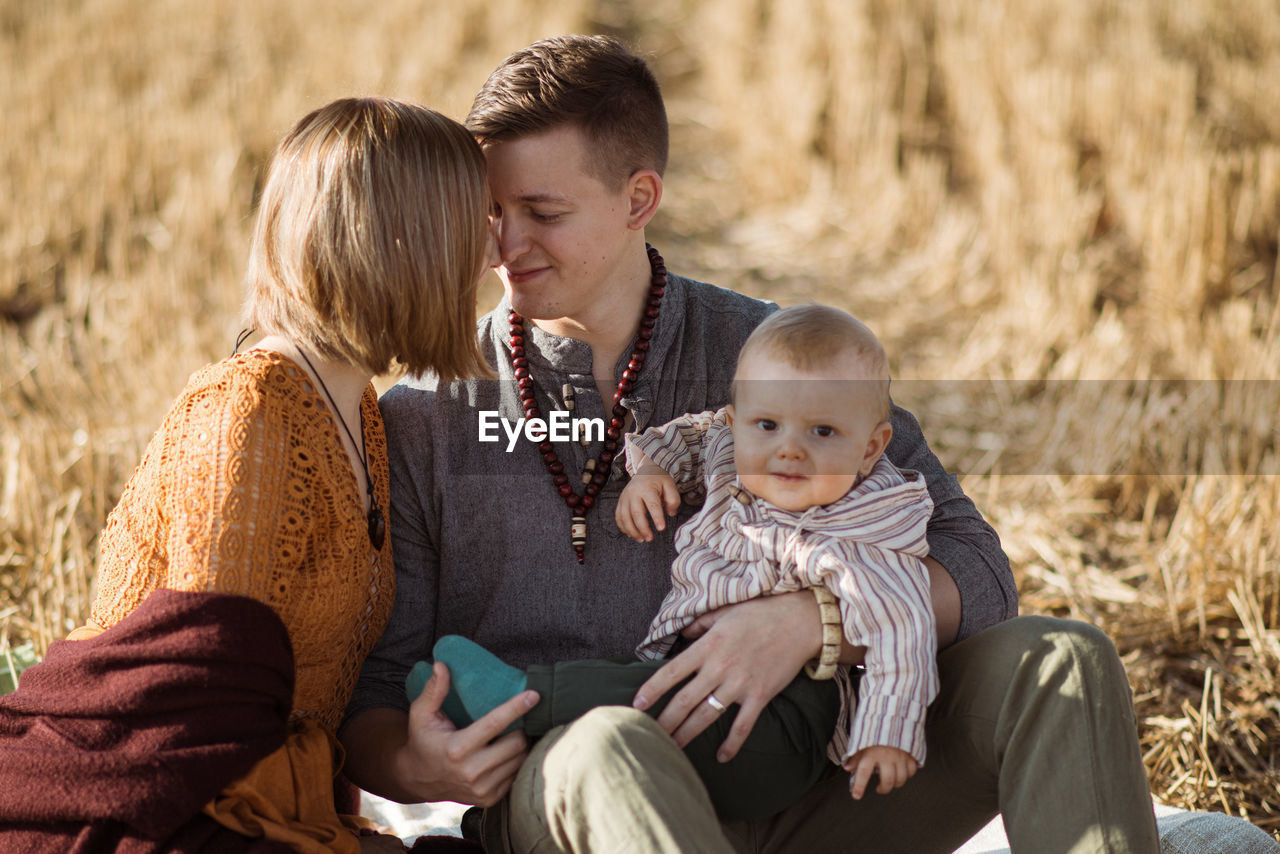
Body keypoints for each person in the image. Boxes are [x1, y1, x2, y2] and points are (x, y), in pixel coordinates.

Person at [342, 34, 1273, 854]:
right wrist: (419, 768)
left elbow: (979, 568)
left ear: (639, 200)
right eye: (492, 213)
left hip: (813, 783)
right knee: (607, 744)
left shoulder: (775, 355)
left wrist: (815, 622)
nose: (507, 246)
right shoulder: (425, 413)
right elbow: (376, 694)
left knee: (1059, 660)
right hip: (577, 801)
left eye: (543, 213)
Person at [45, 97, 495, 853]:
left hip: (266, 810)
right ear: (407, 244)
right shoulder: (248, 413)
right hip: (156, 813)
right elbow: (203, 708)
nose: (495, 251)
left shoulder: (365, 417)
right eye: (476, 223)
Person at [421, 304, 938, 819]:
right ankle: (526, 757)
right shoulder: (731, 452)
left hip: (781, 724)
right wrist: (648, 471)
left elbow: (904, 631)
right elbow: (690, 435)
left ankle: (516, 700)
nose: (789, 450)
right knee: (632, 691)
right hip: (698, 689)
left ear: (871, 448)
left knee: (636, 694)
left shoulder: (867, 534)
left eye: (822, 432)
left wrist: (886, 736)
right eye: (767, 425)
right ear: (739, 424)